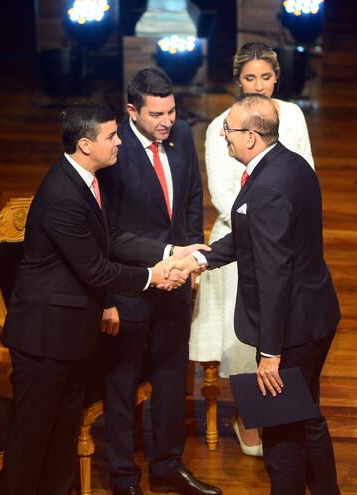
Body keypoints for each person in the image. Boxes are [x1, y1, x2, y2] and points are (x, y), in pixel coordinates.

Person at [0, 103, 197, 495]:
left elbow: (113, 240)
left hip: (71, 335)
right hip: (43, 339)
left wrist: (169, 253)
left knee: (62, 439)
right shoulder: (63, 196)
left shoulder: (88, 181)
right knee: (32, 442)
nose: (119, 141)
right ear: (86, 144)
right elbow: (96, 269)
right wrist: (153, 276)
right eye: (111, 136)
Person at [173, 94, 341, 495]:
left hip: (291, 331)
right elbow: (253, 236)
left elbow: (273, 274)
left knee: (281, 437)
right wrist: (200, 257)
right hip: (314, 317)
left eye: (227, 130)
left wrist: (269, 353)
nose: (222, 137)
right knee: (307, 417)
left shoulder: (268, 187)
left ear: (251, 136)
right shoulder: (289, 164)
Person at [97, 68, 221, 495]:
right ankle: (123, 478)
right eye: (156, 114)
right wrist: (166, 259)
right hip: (131, 284)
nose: (166, 121)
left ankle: (167, 467)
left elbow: (189, 201)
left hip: (175, 281)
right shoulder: (112, 148)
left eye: (171, 110)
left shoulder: (183, 134)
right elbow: (111, 233)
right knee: (122, 383)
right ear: (132, 110)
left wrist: (185, 261)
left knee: (171, 378)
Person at [189, 41, 314, 456]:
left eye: (265, 76)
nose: (258, 84)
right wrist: (257, 217)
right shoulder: (221, 125)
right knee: (246, 338)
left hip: (281, 234)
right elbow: (224, 193)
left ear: (276, 77)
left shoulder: (291, 115)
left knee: (281, 326)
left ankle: (283, 422)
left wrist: (280, 218)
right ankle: (250, 417)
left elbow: (304, 172)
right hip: (239, 237)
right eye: (249, 77)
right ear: (237, 80)